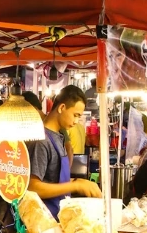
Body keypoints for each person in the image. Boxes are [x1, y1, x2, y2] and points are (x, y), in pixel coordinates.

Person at [27, 85, 101, 218]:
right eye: (75, 115)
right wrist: (75, 185)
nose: (76, 121)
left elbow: (53, 179)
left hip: (58, 217)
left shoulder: (58, 137)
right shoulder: (41, 141)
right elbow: (33, 187)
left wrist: (80, 182)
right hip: (43, 221)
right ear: (61, 108)